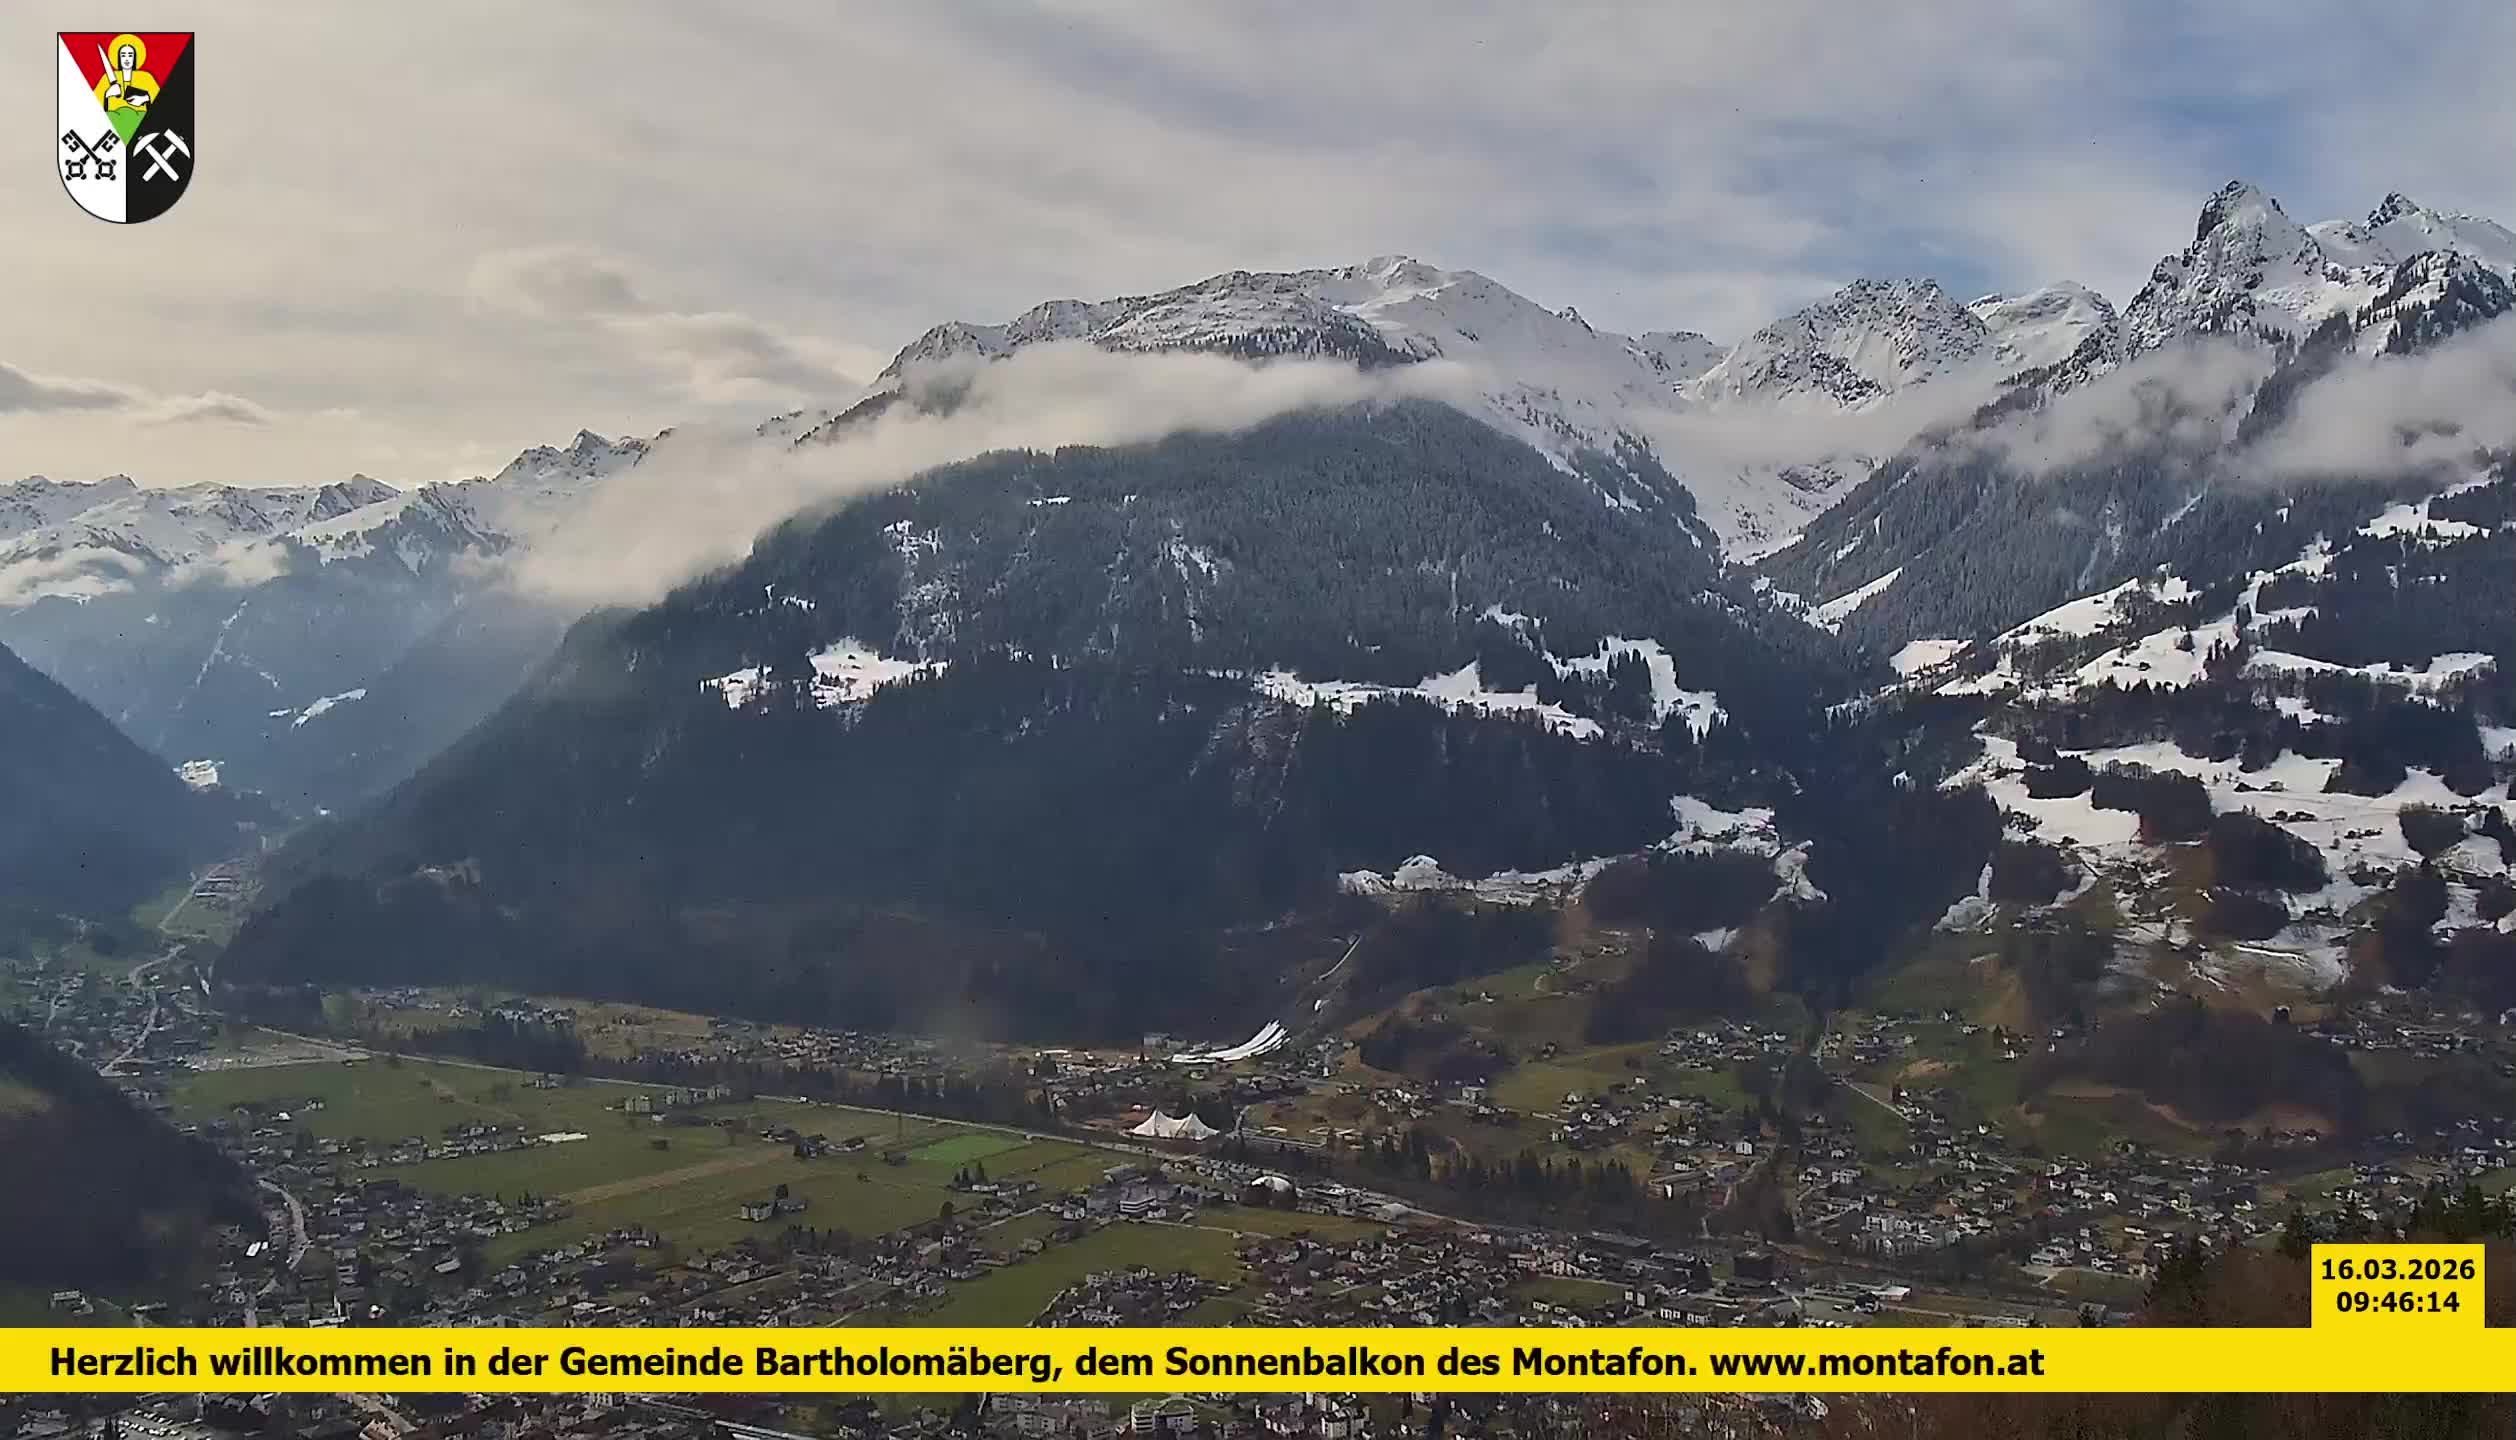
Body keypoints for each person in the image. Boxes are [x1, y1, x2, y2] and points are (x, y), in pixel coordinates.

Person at [96, 34, 160, 113]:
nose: (126, 59)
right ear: (119, 58)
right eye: (123, 55)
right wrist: (106, 95)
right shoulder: (106, 78)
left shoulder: (146, 77)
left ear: (135, 58)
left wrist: (145, 98)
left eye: (130, 55)